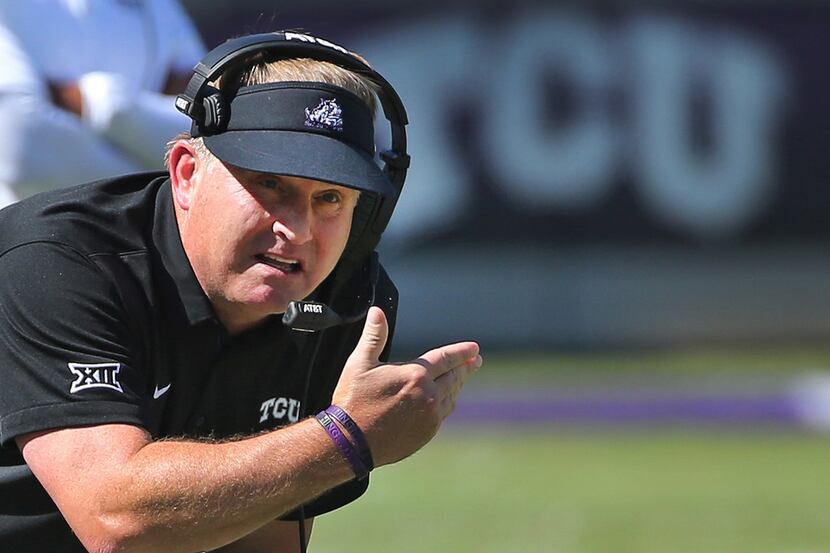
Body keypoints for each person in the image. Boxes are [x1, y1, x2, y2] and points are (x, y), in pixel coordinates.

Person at [0, 30, 481, 553]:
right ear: (186, 173)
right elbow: (116, 521)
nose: (297, 230)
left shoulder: (347, 301)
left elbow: (265, 540)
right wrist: (345, 438)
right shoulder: (56, 261)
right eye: (271, 184)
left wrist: (335, 442)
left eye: (330, 198)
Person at [0, 0, 205, 206]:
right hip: (24, 231)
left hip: (135, 232)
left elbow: (207, 132)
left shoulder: (158, 7)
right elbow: (19, 140)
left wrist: (103, 103)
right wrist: (164, 184)